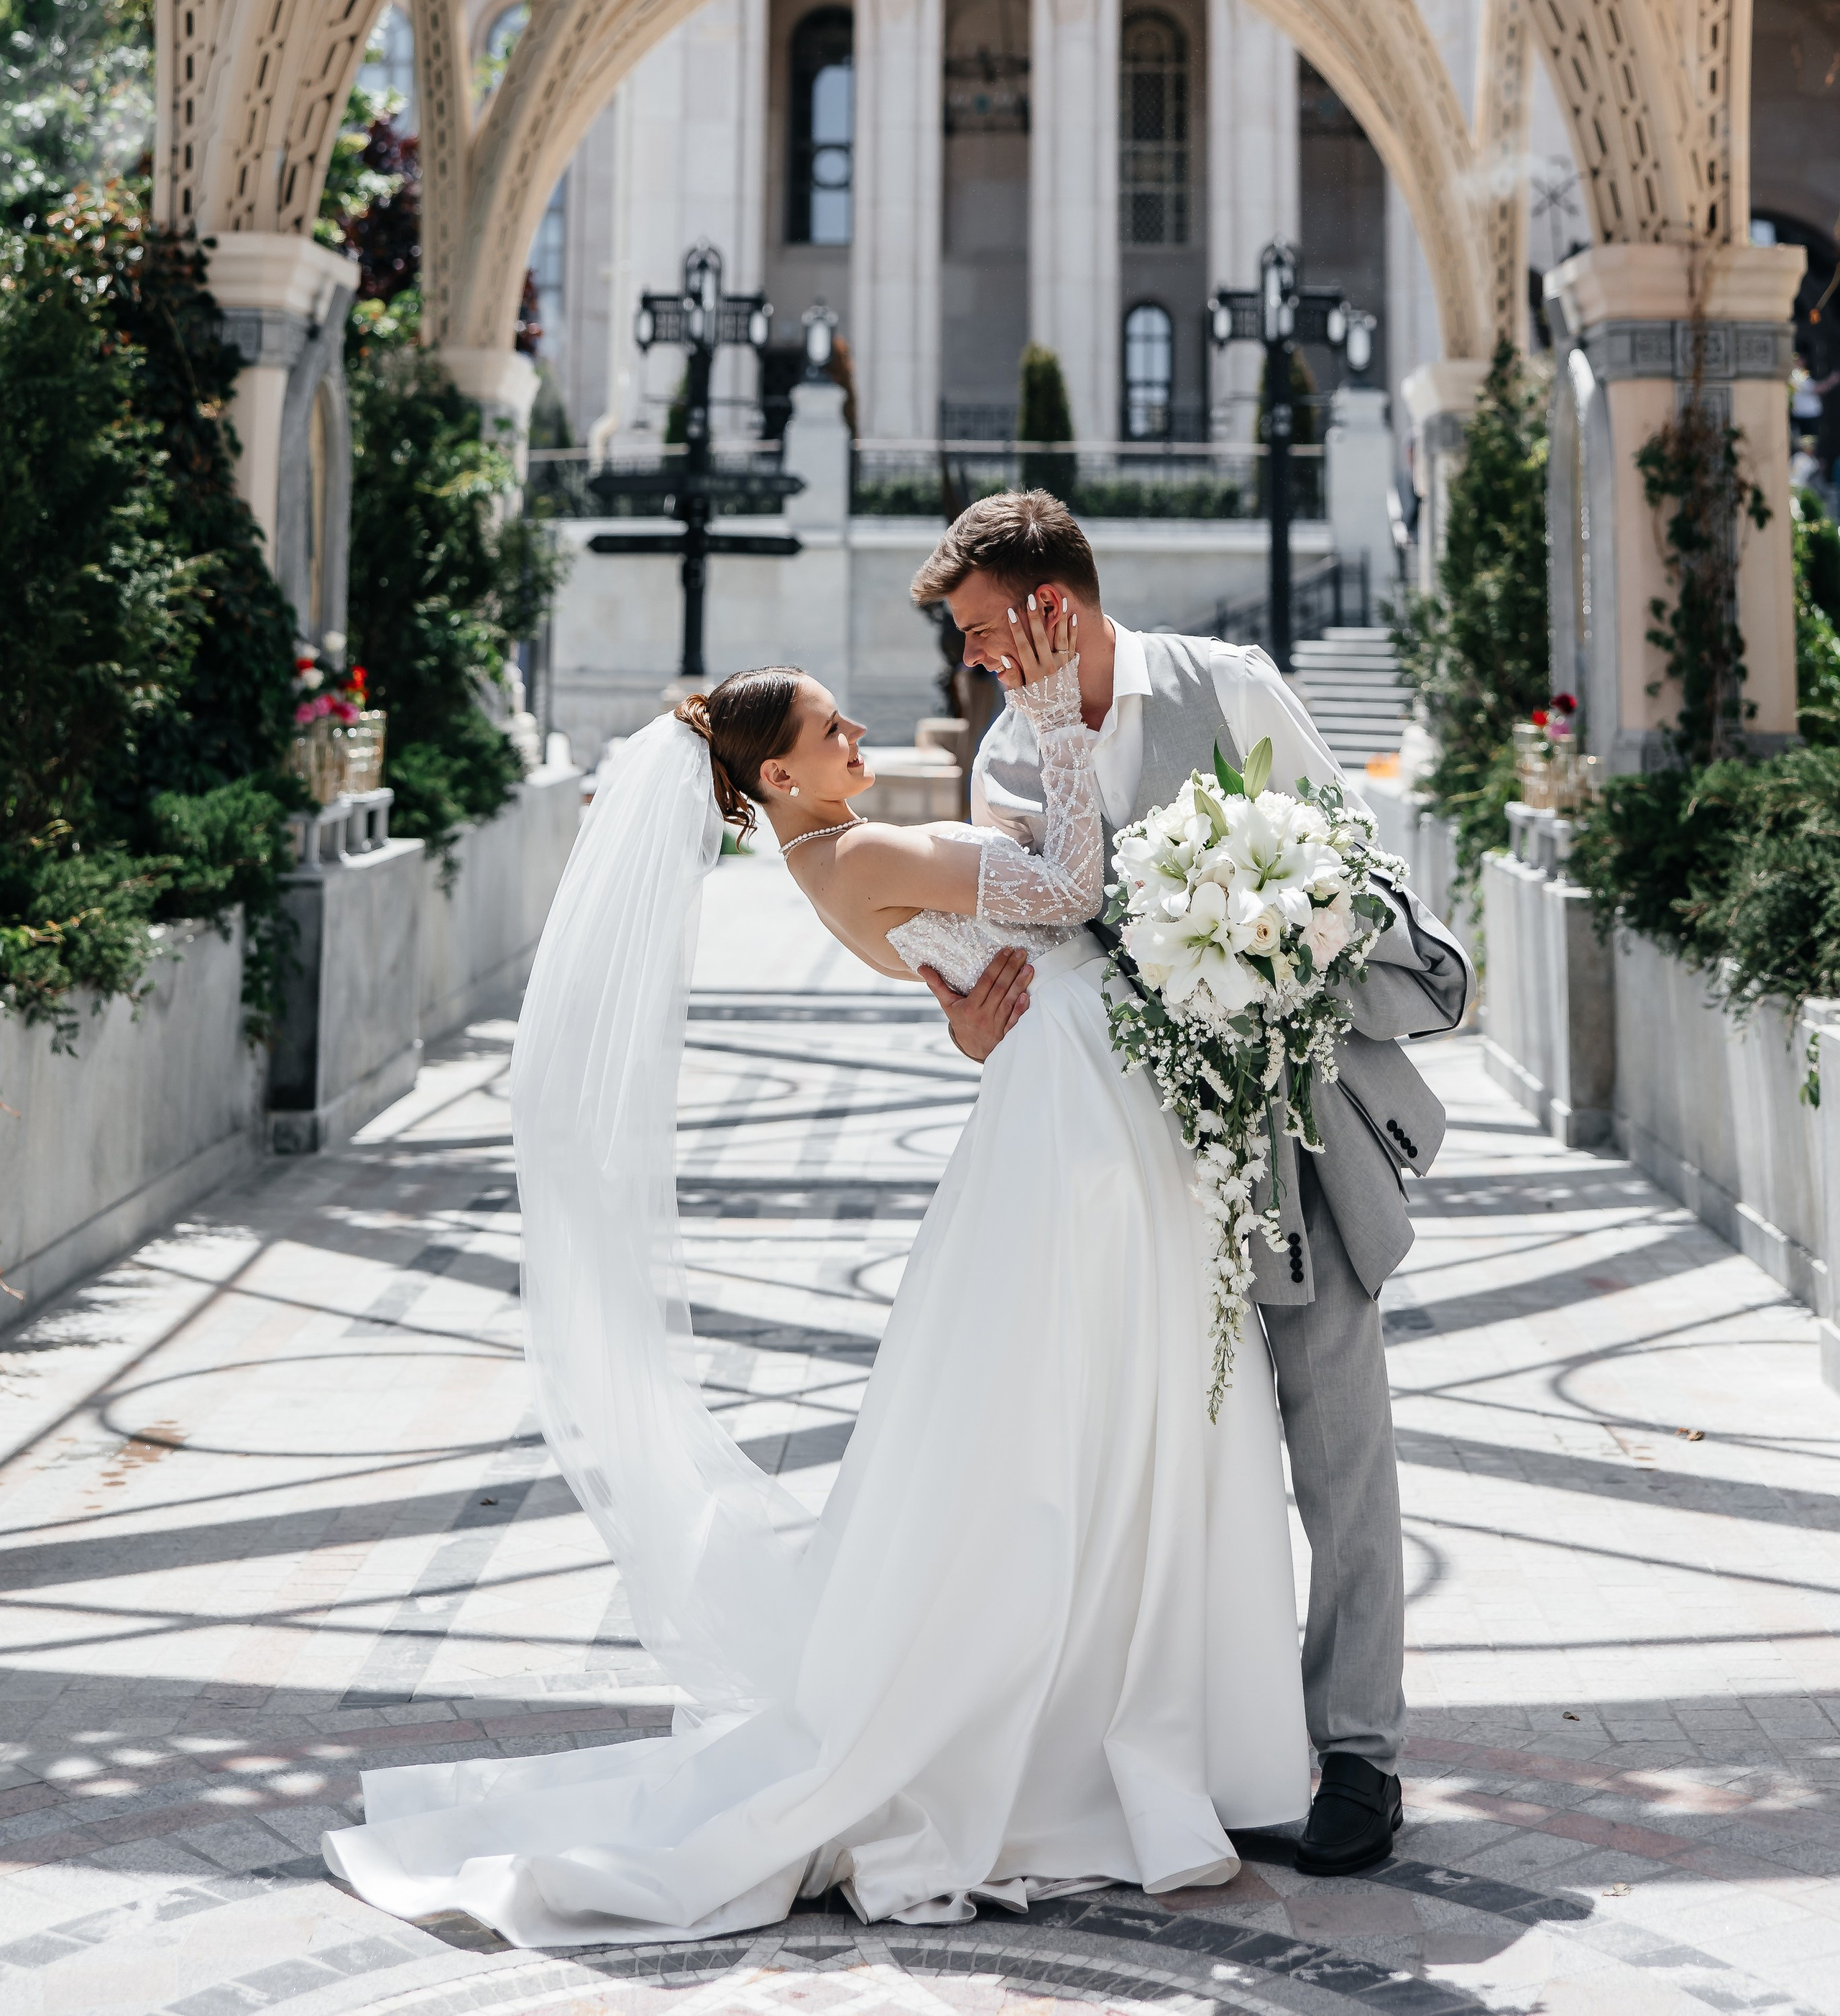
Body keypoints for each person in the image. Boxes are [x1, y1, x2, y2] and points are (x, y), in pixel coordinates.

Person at [324, 599, 1313, 1945]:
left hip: (1066, 1100)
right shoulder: (857, 849)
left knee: (1084, 1419)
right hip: (1078, 1123)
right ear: (776, 775)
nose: (856, 730)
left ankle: (1113, 1699)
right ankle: (1086, 1727)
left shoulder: (833, 859)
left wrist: (986, 1016)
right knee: (1098, 1418)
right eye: (828, 726)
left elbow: (982, 1004)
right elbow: (1073, 893)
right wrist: (1055, 733)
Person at [907, 493, 1472, 1879]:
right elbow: (1020, 934)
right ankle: (1206, 1745)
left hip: (1289, 1113)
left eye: (986, 631)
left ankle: (1358, 1755)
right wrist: (968, 1009)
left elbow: (1343, 853)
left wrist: (1264, 928)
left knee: (1340, 1437)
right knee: (1169, 1460)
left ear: (1054, 607)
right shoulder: (1005, 759)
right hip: (1126, 1158)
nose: (976, 661)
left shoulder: (1223, 684)